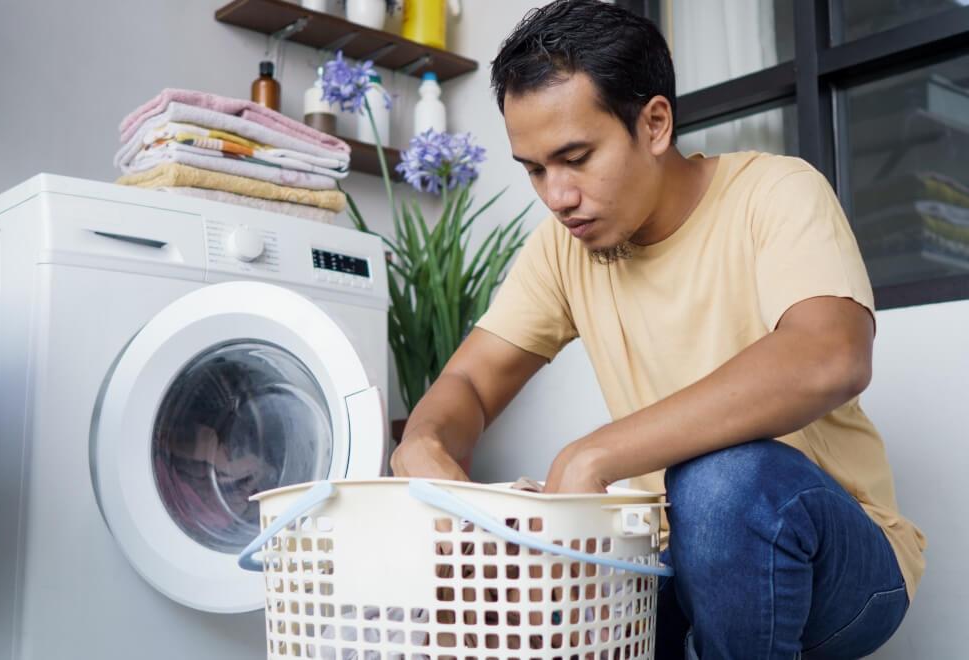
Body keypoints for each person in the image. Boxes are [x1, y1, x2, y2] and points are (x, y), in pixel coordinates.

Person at [390, 1, 926, 657]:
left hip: (839, 566)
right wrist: (424, 447)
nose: (557, 196)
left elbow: (831, 356)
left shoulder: (776, 193)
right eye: (534, 169)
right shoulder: (561, 249)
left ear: (654, 123)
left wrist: (593, 454)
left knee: (722, 482)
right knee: (520, 598)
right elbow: (469, 381)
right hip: (666, 561)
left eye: (576, 157)